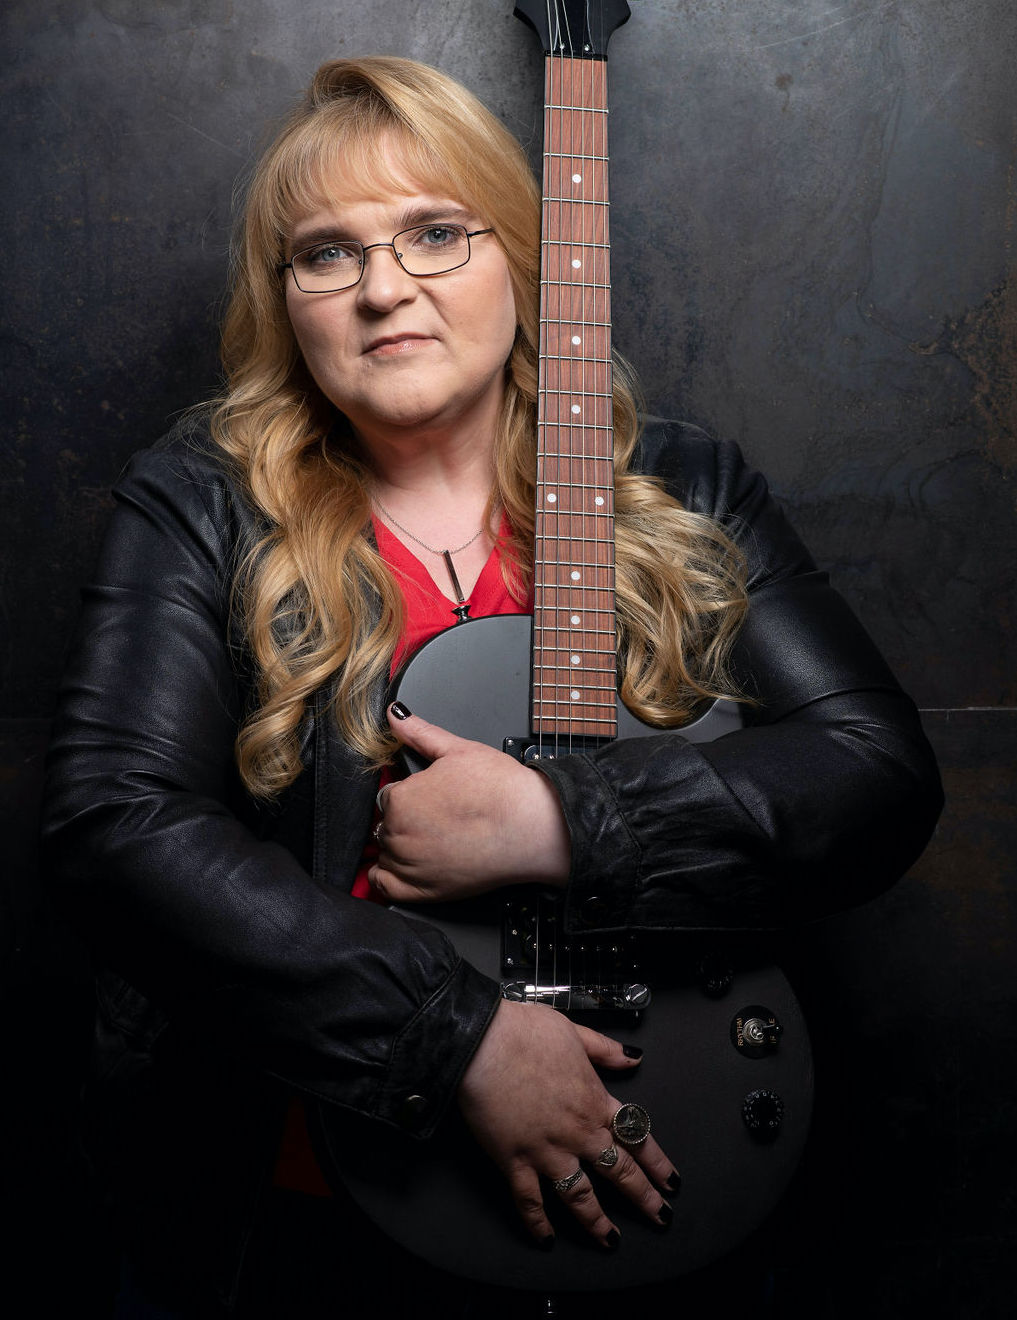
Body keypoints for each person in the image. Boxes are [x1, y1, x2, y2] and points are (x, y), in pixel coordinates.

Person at [43, 56, 942, 1319]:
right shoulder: (203, 502)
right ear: (287, 300)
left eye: (435, 233)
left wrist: (568, 823)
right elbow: (112, 821)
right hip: (309, 1198)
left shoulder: (684, 485)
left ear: (528, 258)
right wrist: (455, 1037)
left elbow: (878, 773)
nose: (384, 288)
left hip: (687, 1145)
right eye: (327, 254)